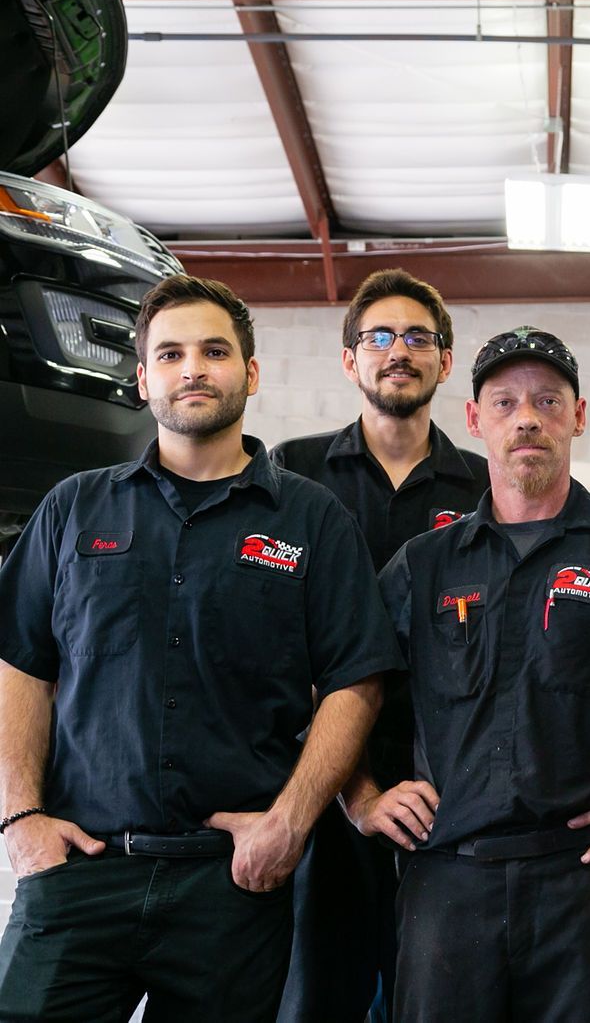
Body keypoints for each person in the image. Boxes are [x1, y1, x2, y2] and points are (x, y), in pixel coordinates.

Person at [0, 275, 398, 1021]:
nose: (193, 369)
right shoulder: (74, 508)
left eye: (215, 351)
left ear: (249, 372)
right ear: (143, 376)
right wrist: (19, 817)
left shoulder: (312, 519)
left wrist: (291, 821)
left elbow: (357, 680)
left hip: (232, 887)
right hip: (81, 869)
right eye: (172, 353)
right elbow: (22, 663)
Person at [344, 327, 590, 1023]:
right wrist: (362, 796)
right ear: (474, 419)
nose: (527, 418)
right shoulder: (421, 564)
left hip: (586, 882)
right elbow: (345, 681)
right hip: (447, 884)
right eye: (506, 401)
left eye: (548, 401)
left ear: (578, 416)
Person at [269, 268, 488, 1023]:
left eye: (419, 337)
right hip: (318, 791)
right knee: (315, 1000)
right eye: (380, 337)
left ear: (445, 360)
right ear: (349, 359)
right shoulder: (290, 473)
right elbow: (274, 640)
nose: (400, 350)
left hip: (447, 802)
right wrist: (350, 790)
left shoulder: (489, 489)